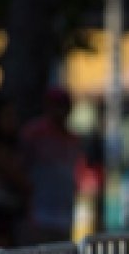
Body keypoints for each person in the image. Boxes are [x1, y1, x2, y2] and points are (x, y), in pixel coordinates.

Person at [18, 86, 82, 244]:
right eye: (56, 105)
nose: (60, 111)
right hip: (38, 215)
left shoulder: (72, 139)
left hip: (64, 215)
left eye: (64, 106)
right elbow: (21, 168)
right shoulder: (33, 134)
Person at [0, 97, 28, 247]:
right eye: (7, 115)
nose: (13, 120)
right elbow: (22, 182)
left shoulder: (14, 146)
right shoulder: (1, 151)